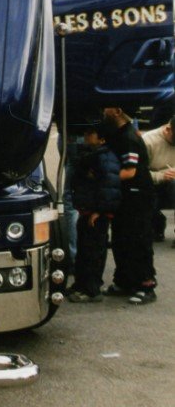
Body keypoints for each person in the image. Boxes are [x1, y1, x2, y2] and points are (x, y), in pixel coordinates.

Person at [102, 107, 157, 304]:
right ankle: (124, 280)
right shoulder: (117, 133)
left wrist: (102, 179)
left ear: (117, 111)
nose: (103, 111)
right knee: (120, 238)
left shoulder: (129, 137)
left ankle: (146, 284)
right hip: (124, 196)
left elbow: (129, 171)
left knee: (138, 240)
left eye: (107, 108)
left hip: (138, 196)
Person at [68, 122, 122, 302]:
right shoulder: (94, 155)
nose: (86, 135)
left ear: (102, 139)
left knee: (93, 252)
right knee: (84, 250)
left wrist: (100, 211)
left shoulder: (104, 158)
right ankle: (81, 284)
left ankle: (91, 289)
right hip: (87, 210)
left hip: (96, 213)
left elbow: (110, 186)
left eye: (91, 133)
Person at [142, 115, 175, 243]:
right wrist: (162, 175)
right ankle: (156, 221)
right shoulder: (148, 140)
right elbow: (138, 173)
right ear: (168, 129)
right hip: (153, 183)